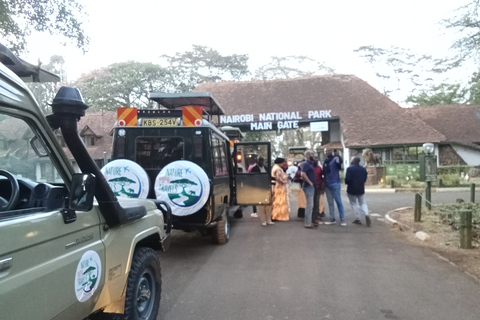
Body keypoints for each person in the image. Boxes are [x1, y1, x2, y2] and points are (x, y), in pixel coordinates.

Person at [345, 156, 371, 227]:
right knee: (363, 203)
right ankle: (366, 213)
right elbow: (365, 179)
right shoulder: (363, 169)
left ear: (352, 161)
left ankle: (357, 218)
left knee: (354, 204)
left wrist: (347, 183)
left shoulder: (349, 169)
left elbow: (347, 179)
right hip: (361, 188)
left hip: (352, 189)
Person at [323, 148, 346, 226]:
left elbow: (340, 162)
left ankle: (342, 219)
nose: (327, 152)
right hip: (327, 183)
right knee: (330, 202)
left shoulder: (335, 159)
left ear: (332, 152)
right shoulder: (325, 161)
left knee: (338, 201)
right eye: (326, 151)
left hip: (335, 182)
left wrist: (338, 155)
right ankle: (332, 218)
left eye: (329, 151)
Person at [250, 157, 270, 222]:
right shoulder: (254, 168)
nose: (261, 162)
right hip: (257, 185)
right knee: (256, 198)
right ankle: (255, 211)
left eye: (262, 160)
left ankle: (266, 215)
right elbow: (253, 177)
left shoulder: (265, 167)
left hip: (264, 185)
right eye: (260, 160)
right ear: (257, 161)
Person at [301, 150, 316, 228]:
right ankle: (307, 223)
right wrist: (310, 182)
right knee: (309, 205)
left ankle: (308, 222)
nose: (313, 155)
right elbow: (302, 174)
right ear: (307, 155)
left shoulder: (310, 164)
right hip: (308, 186)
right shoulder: (306, 164)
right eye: (311, 154)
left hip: (309, 186)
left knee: (310, 205)